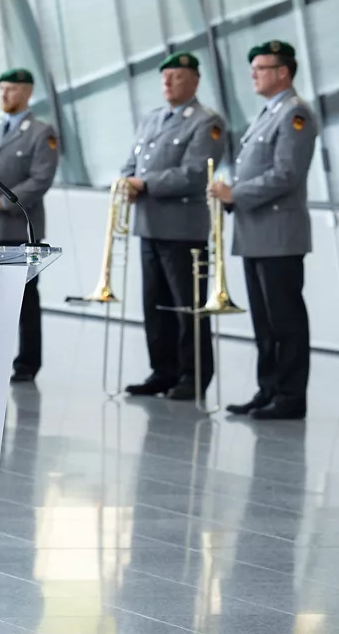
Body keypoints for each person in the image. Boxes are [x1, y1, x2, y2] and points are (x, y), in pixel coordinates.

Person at [210, 41, 316, 421]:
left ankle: (290, 396)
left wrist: (235, 192)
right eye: (253, 68)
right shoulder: (267, 114)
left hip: (279, 234)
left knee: (285, 319)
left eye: (261, 67)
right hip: (255, 233)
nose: (253, 74)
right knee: (264, 321)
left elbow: (286, 174)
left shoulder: (294, 114)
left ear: (283, 72)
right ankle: (268, 389)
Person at [121, 52, 226, 401]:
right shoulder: (151, 119)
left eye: (176, 76)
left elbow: (197, 173)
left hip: (183, 229)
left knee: (188, 307)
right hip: (149, 224)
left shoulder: (206, 122)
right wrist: (126, 182)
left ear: (194, 81)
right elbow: (130, 163)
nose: (167, 82)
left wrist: (145, 184)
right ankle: (162, 371)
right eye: (164, 76)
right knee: (155, 305)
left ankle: (193, 376)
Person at [0, 68, 58, 383]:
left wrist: (3, 202)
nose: (4, 95)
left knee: (25, 300)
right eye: (2, 88)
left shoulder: (42, 131)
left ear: (27, 92)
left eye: (12, 89)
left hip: (19, 230)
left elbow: (41, 178)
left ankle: (27, 364)